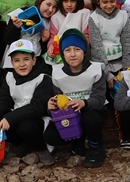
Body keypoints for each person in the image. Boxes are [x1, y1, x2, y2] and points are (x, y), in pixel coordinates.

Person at [0, 40, 55, 164]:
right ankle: (21, 144)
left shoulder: (43, 78)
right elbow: (2, 99)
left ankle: (41, 148)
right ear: (11, 63)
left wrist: (10, 118)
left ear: (34, 60)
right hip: (16, 114)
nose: (22, 64)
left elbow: (38, 107)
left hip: (36, 118)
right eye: (17, 60)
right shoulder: (9, 77)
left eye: (26, 59)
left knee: (26, 127)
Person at [45, 29, 107, 168]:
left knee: (90, 118)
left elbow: (99, 99)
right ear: (62, 53)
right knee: (50, 136)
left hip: (91, 111)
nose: (72, 54)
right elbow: (56, 99)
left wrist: (83, 103)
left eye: (77, 49)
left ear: (85, 51)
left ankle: (96, 148)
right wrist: (51, 107)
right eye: (67, 50)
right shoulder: (57, 73)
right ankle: (76, 142)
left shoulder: (95, 70)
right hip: (68, 115)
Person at [88, 0, 130, 86]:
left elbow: (128, 42)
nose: (109, 5)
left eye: (112, 1)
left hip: (120, 65)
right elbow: (97, 47)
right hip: (102, 67)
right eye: (105, 2)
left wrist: (127, 68)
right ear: (98, 0)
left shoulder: (123, 16)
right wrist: (107, 73)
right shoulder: (94, 18)